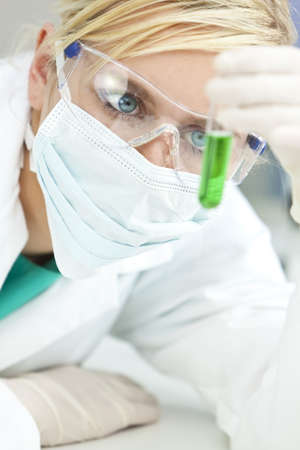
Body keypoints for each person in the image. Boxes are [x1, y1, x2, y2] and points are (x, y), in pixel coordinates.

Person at [1, 0, 300, 449]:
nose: (151, 165)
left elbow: (281, 420)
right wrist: (23, 412)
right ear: (44, 71)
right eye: (124, 101)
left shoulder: (193, 218)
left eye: (201, 137)